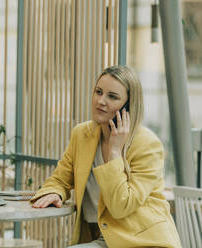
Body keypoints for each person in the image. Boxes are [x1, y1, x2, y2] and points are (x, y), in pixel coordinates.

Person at [30, 65, 181, 248]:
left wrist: (115, 152)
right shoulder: (82, 135)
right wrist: (55, 192)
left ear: (128, 106)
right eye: (98, 92)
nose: (101, 101)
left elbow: (121, 206)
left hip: (142, 242)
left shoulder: (147, 145)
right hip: (102, 239)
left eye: (112, 96)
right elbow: (60, 178)